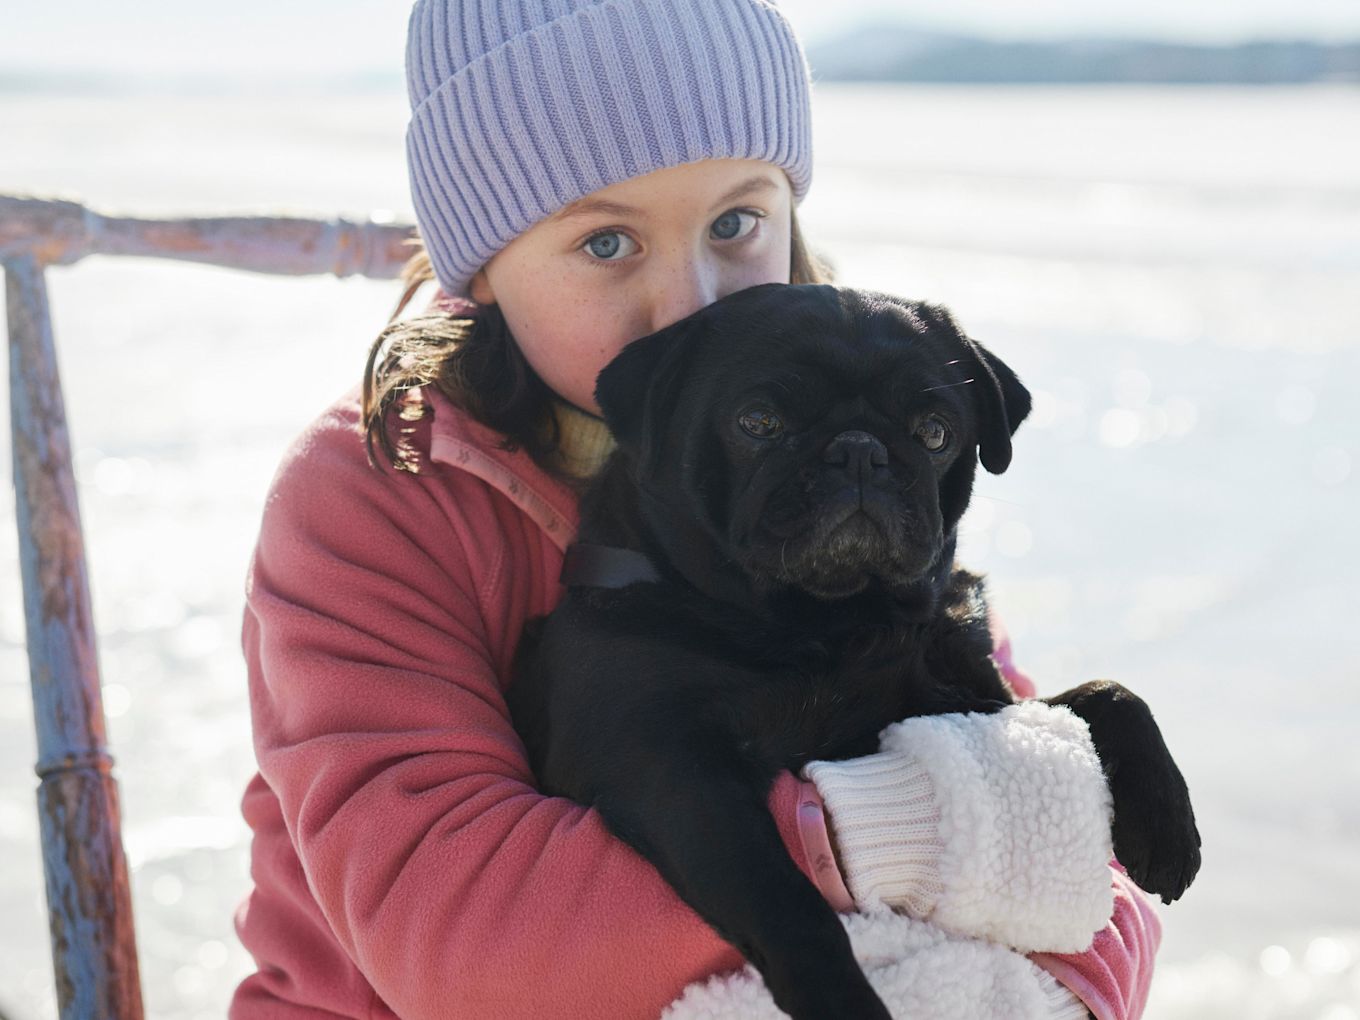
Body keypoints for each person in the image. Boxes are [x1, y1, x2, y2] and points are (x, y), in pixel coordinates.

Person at [229, 2, 1161, 1017]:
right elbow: (465, 948)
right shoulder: (377, 493)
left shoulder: (860, 437)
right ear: (484, 268)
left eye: (734, 223)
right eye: (605, 244)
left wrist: (1060, 990)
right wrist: (884, 829)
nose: (692, 301)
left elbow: (1069, 843)